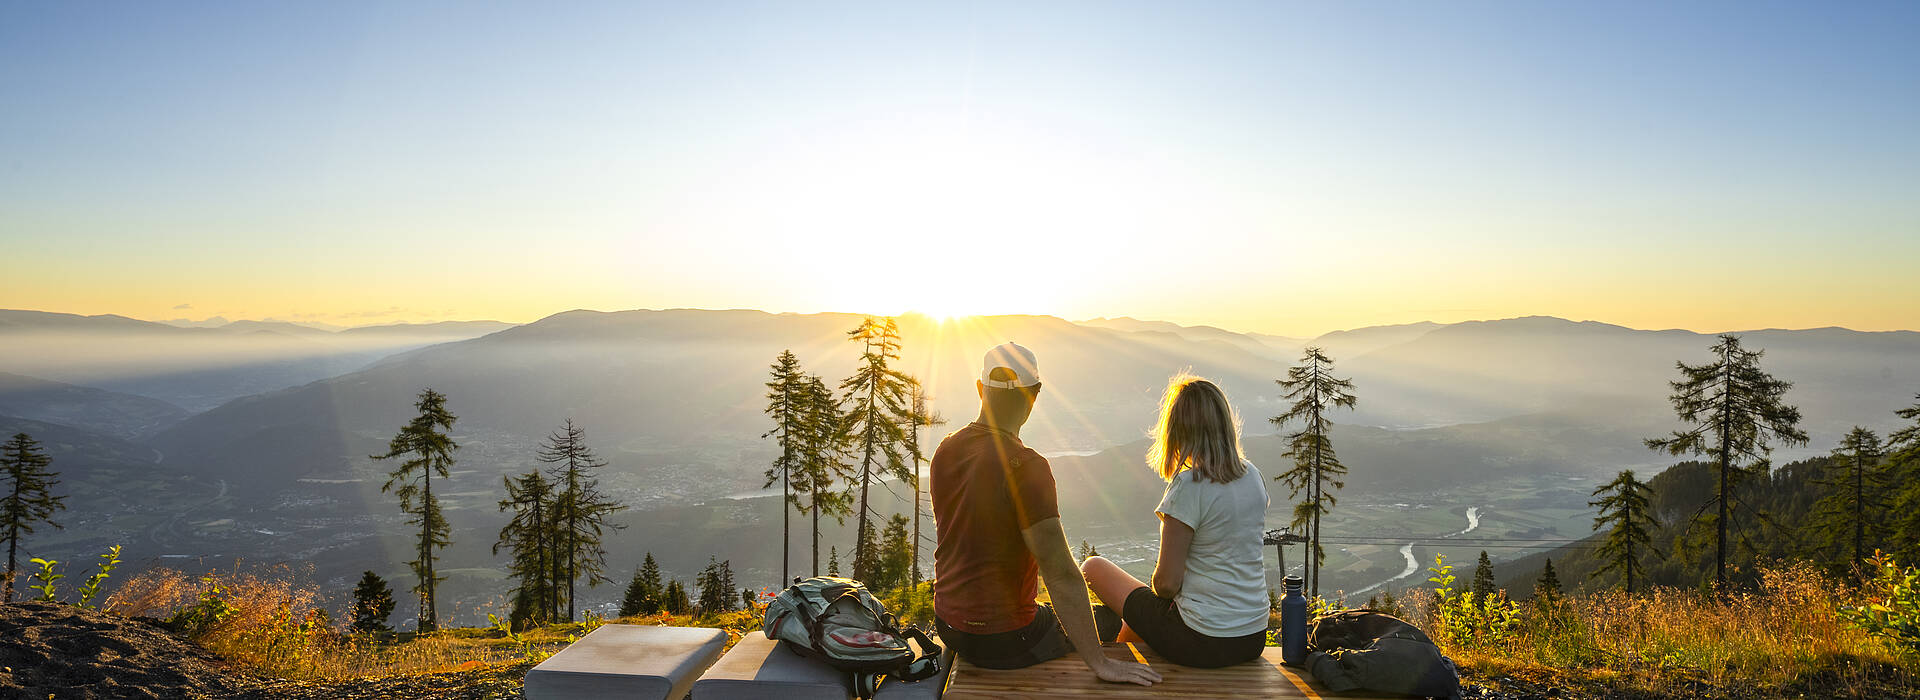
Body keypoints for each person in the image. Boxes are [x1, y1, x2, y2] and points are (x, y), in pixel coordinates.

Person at [930, 342, 1161, 686]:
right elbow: (1061, 573)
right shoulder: (1025, 467)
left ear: (980, 389)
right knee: (1123, 618)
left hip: (949, 626)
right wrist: (1099, 663)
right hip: (1006, 639)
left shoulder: (946, 449)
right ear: (1035, 394)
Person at [1080, 373, 1270, 668]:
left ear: (1176, 431)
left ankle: (1118, 667)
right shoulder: (1253, 476)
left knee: (1093, 567)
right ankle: (1127, 654)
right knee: (1141, 618)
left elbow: (1166, 585)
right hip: (1252, 637)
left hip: (1201, 641)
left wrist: (1157, 587)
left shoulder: (1189, 486)